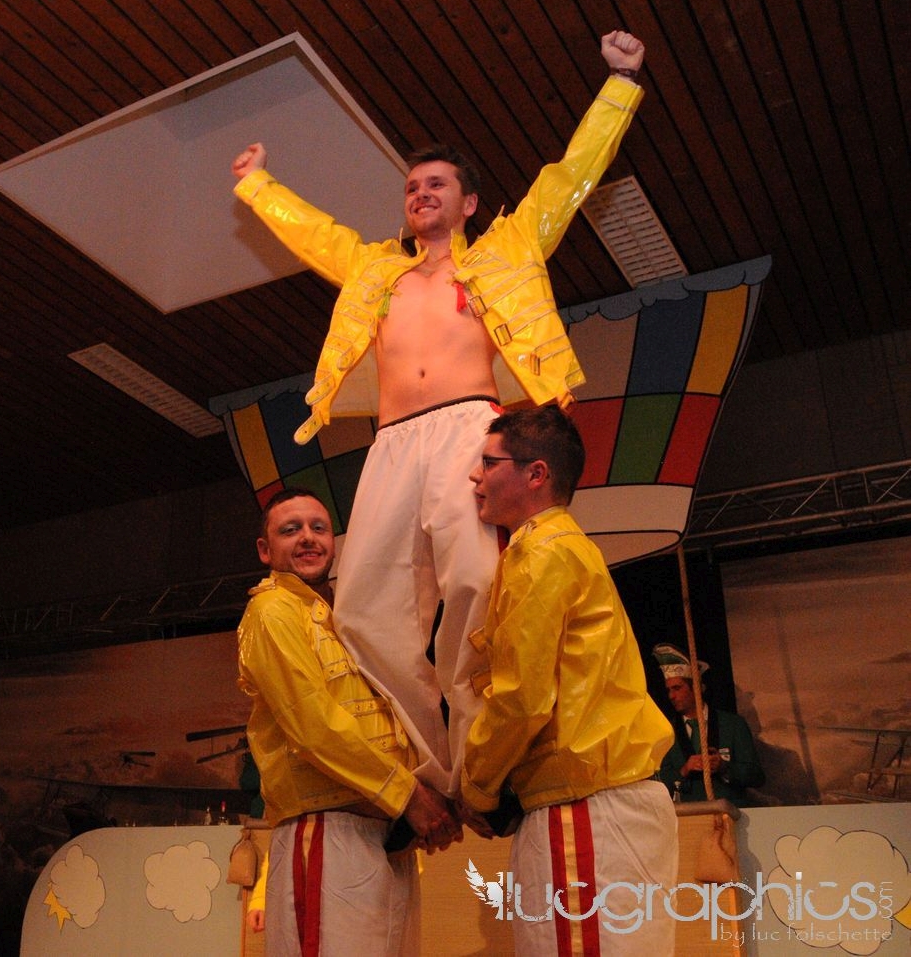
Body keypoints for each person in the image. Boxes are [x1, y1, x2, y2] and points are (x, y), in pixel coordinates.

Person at [231, 31, 648, 805]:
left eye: (436, 185)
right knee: (362, 611)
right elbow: (316, 233)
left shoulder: (507, 250)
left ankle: (486, 765)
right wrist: (258, 186)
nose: (420, 194)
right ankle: (428, 772)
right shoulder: (374, 270)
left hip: (468, 430)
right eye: (412, 187)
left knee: (477, 587)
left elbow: (569, 178)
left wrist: (620, 84)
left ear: (468, 203)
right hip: (391, 442)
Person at [461, 406, 676, 955]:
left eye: (488, 463)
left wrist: (475, 788)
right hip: (603, 801)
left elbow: (522, 698)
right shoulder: (567, 548)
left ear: (536, 474)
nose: (474, 476)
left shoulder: (540, 553)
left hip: (583, 807)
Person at [237, 488, 458, 956]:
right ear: (265, 550)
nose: (307, 538)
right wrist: (410, 796)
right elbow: (313, 726)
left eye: (318, 528)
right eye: (290, 530)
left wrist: (432, 797)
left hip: (384, 833)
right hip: (327, 834)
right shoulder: (272, 610)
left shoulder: (343, 616)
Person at [654, 643, 764, 807]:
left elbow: (756, 776)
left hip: (730, 814)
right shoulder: (666, 733)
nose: (671, 696)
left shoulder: (732, 725)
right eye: (669, 690)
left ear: (697, 688)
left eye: (677, 688)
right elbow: (658, 783)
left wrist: (724, 767)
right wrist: (684, 770)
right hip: (690, 816)